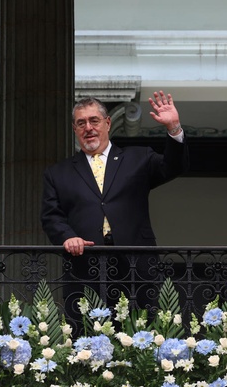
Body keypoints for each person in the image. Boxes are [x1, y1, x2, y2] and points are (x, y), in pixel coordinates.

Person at [41, 91, 189, 318]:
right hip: (85, 268)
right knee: (85, 342)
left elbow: (174, 166)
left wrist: (174, 128)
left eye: (94, 121)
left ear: (107, 123)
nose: (88, 127)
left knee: (141, 336)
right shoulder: (58, 173)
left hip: (136, 266)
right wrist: (66, 237)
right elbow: (51, 216)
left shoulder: (138, 158)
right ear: (75, 129)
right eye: (81, 123)